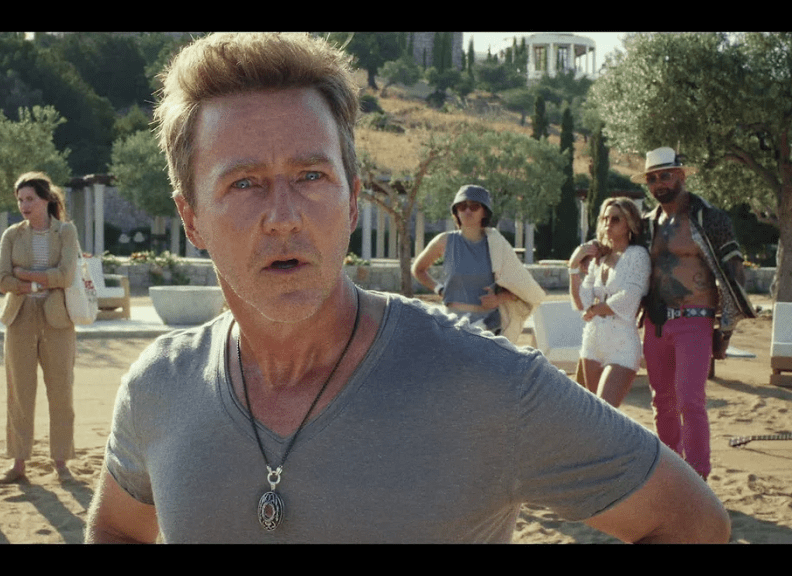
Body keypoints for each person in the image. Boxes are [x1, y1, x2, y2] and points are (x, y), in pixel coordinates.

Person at [85, 32, 730, 544]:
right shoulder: (157, 388)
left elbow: (692, 523)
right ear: (191, 218)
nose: (283, 216)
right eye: (244, 183)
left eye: (310, 176)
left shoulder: (486, 383)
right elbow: (115, 528)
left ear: (352, 199)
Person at [635, 146, 756, 479]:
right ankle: (671, 473)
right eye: (652, 179)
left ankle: (698, 475)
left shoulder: (709, 217)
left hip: (696, 318)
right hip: (656, 322)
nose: (659, 184)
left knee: (690, 400)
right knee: (662, 401)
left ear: (681, 175)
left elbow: (735, 273)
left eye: (665, 175)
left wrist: (725, 330)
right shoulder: (647, 224)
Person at [0, 172, 79, 484]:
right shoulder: (11, 235)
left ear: (45, 199)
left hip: (58, 320)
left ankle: (61, 463)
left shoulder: (66, 232)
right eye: (20, 200)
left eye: (30, 198)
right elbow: (3, 280)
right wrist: (39, 282)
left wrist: (26, 274)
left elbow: (66, 276)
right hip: (19, 319)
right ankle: (18, 463)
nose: (24, 205)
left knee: (61, 391)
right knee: (20, 392)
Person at [411, 185, 545, 342]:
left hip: (488, 328)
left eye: (474, 206)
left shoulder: (497, 244)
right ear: (456, 212)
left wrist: (499, 298)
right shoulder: (444, 241)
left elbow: (524, 288)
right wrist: (439, 289)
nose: (467, 211)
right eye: (462, 206)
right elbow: (418, 269)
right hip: (453, 326)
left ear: (484, 212)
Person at [567, 198, 650, 407]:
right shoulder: (600, 260)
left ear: (629, 223)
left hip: (622, 345)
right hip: (593, 341)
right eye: (605, 219)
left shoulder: (638, 255)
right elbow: (581, 303)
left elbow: (628, 298)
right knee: (592, 413)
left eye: (615, 219)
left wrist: (594, 309)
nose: (608, 224)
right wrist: (573, 266)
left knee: (606, 413)